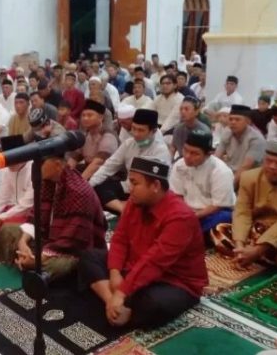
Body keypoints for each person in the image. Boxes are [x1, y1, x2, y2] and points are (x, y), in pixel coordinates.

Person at [78, 157, 207, 329]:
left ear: (155, 186)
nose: (129, 188)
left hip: (173, 280)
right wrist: (115, 273)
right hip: (135, 265)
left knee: (153, 304)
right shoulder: (135, 202)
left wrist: (122, 291)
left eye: (135, 183)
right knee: (89, 256)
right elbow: (120, 239)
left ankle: (122, 307)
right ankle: (113, 305)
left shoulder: (180, 217)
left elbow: (155, 262)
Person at [0, 155, 107, 280]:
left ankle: (30, 264)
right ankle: (27, 260)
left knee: (61, 266)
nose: (36, 167)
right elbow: (36, 217)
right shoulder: (47, 182)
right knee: (8, 230)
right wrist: (23, 243)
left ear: (57, 165)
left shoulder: (79, 192)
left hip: (73, 249)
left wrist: (38, 260)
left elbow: (73, 240)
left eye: (42, 163)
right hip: (49, 239)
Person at [212, 139, 277, 270]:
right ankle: (252, 256)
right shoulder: (249, 178)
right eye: (268, 161)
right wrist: (239, 245)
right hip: (258, 229)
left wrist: (257, 250)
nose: (272, 166)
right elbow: (242, 213)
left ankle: (262, 256)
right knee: (219, 229)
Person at [89, 109, 171, 213]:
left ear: (153, 131)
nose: (135, 134)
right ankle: (123, 209)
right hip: (128, 187)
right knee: (99, 186)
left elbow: (156, 187)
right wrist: (88, 186)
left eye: (141, 130)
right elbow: (108, 166)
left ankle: (128, 210)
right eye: (134, 128)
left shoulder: (161, 151)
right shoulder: (129, 144)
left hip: (146, 193)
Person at [169, 131, 235, 234]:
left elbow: (218, 205)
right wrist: (182, 213)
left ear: (208, 154)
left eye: (194, 153)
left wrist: (192, 217)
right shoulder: (180, 165)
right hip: (186, 211)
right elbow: (177, 195)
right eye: (185, 150)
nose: (187, 156)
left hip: (211, 214)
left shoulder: (221, 171)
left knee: (224, 217)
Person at [0, 135, 34, 241]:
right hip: (12, 209)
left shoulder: (33, 169)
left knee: (8, 224)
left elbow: (26, 206)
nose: (9, 165)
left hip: (28, 214)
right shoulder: (9, 170)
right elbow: (2, 195)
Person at [67, 100, 118, 180]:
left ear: (101, 117)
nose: (85, 118)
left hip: (108, 177)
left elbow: (97, 163)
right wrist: (65, 178)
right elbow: (74, 159)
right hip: (88, 171)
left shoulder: (108, 136)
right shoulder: (85, 135)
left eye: (89, 115)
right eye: (83, 115)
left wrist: (80, 183)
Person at [215, 105, 266, 185]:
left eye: (237, 119)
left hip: (249, 178)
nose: (233, 122)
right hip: (229, 173)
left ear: (248, 121)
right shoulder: (228, 131)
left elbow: (246, 167)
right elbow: (216, 158)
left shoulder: (256, 139)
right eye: (231, 119)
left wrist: (229, 186)